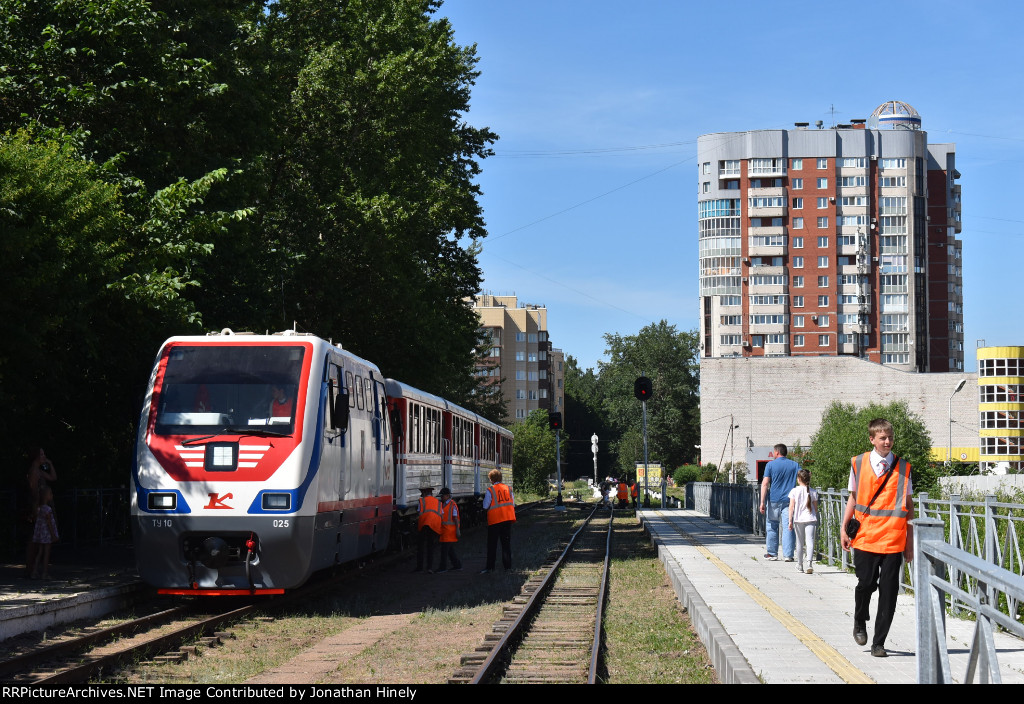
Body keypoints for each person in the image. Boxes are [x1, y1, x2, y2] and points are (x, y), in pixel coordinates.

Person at [841, 418, 914, 658]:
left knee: (889, 592)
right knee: (866, 584)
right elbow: (853, 498)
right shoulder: (858, 463)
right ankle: (860, 619)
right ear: (872, 439)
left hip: (894, 539)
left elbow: (909, 506)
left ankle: (878, 643)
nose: (888, 441)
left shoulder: (904, 467)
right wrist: (844, 528)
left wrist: (910, 542)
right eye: (883, 438)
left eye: (890, 437)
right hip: (865, 537)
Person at [759, 444, 800, 561]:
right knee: (788, 526)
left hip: (773, 500)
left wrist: (762, 502)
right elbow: (805, 475)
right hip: (789, 501)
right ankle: (788, 555)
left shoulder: (770, 465)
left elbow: (765, 483)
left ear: (776, 452)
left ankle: (772, 553)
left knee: (772, 525)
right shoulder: (794, 465)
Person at [480, 469, 515, 573]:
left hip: (495, 521)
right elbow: (512, 503)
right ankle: (508, 567)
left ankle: (490, 567)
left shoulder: (490, 490)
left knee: (492, 545)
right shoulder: (508, 489)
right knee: (506, 545)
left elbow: (485, 505)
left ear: (492, 479)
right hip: (507, 519)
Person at [787, 469, 819, 574]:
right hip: (810, 518)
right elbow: (815, 508)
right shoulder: (813, 492)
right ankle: (809, 563)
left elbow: (791, 507)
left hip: (798, 519)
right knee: (810, 541)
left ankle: (800, 564)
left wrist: (790, 521)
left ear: (799, 479)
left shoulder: (794, 491)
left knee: (799, 542)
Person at [29, 485, 59, 579]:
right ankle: (44, 573)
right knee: (46, 553)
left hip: (40, 534)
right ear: (46, 496)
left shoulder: (39, 508)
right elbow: (49, 523)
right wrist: (53, 535)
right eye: (50, 494)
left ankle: (34, 572)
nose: (52, 495)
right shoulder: (48, 509)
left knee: (40, 552)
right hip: (47, 535)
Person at [414, 486, 442, 573]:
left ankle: (420, 567)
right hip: (434, 525)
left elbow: (419, 513)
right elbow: (441, 514)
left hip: (424, 525)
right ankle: (429, 567)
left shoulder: (422, 501)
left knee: (421, 547)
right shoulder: (438, 502)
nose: (421, 495)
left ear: (425, 493)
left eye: (422, 493)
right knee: (430, 547)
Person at [436, 487, 462, 573]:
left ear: (447, 496)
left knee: (444, 550)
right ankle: (457, 565)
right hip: (445, 531)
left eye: (442, 496)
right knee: (450, 550)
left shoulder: (452, 504)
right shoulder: (444, 504)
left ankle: (443, 567)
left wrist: (457, 530)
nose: (441, 498)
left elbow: (455, 518)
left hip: (449, 531)